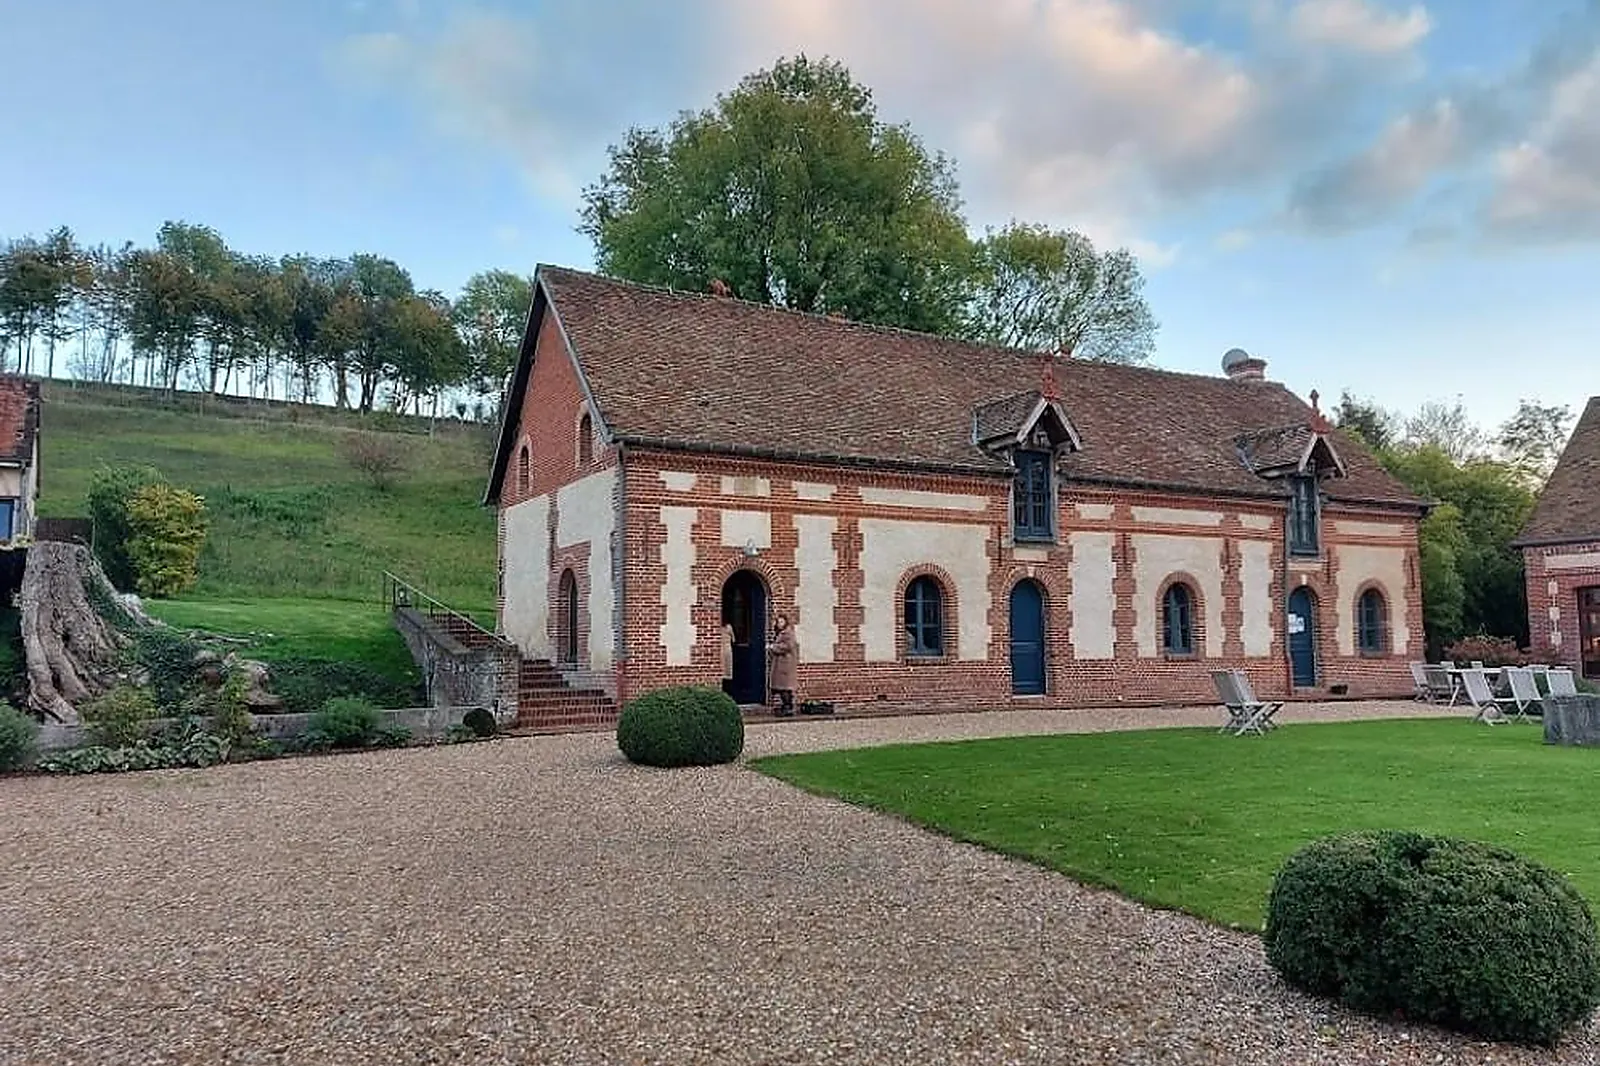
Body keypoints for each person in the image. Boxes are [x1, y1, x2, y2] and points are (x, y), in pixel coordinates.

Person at [768, 613, 798, 717]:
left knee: (785, 686)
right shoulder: (780, 633)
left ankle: (788, 707)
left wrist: (773, 647)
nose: (779, 624)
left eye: (781, 622)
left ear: (785, 622)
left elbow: (788, 646)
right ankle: (785, 707)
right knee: (781, 687)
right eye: (778, 622)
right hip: (780, 663)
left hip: (785, 664)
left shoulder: (788, 633)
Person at [720, 622, 735, 697]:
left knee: (722, 672)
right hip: (727, 651)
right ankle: (728, 693)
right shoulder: (729, 627)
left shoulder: (718, 628)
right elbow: (734, 639)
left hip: (720, 651)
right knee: (727, 672)